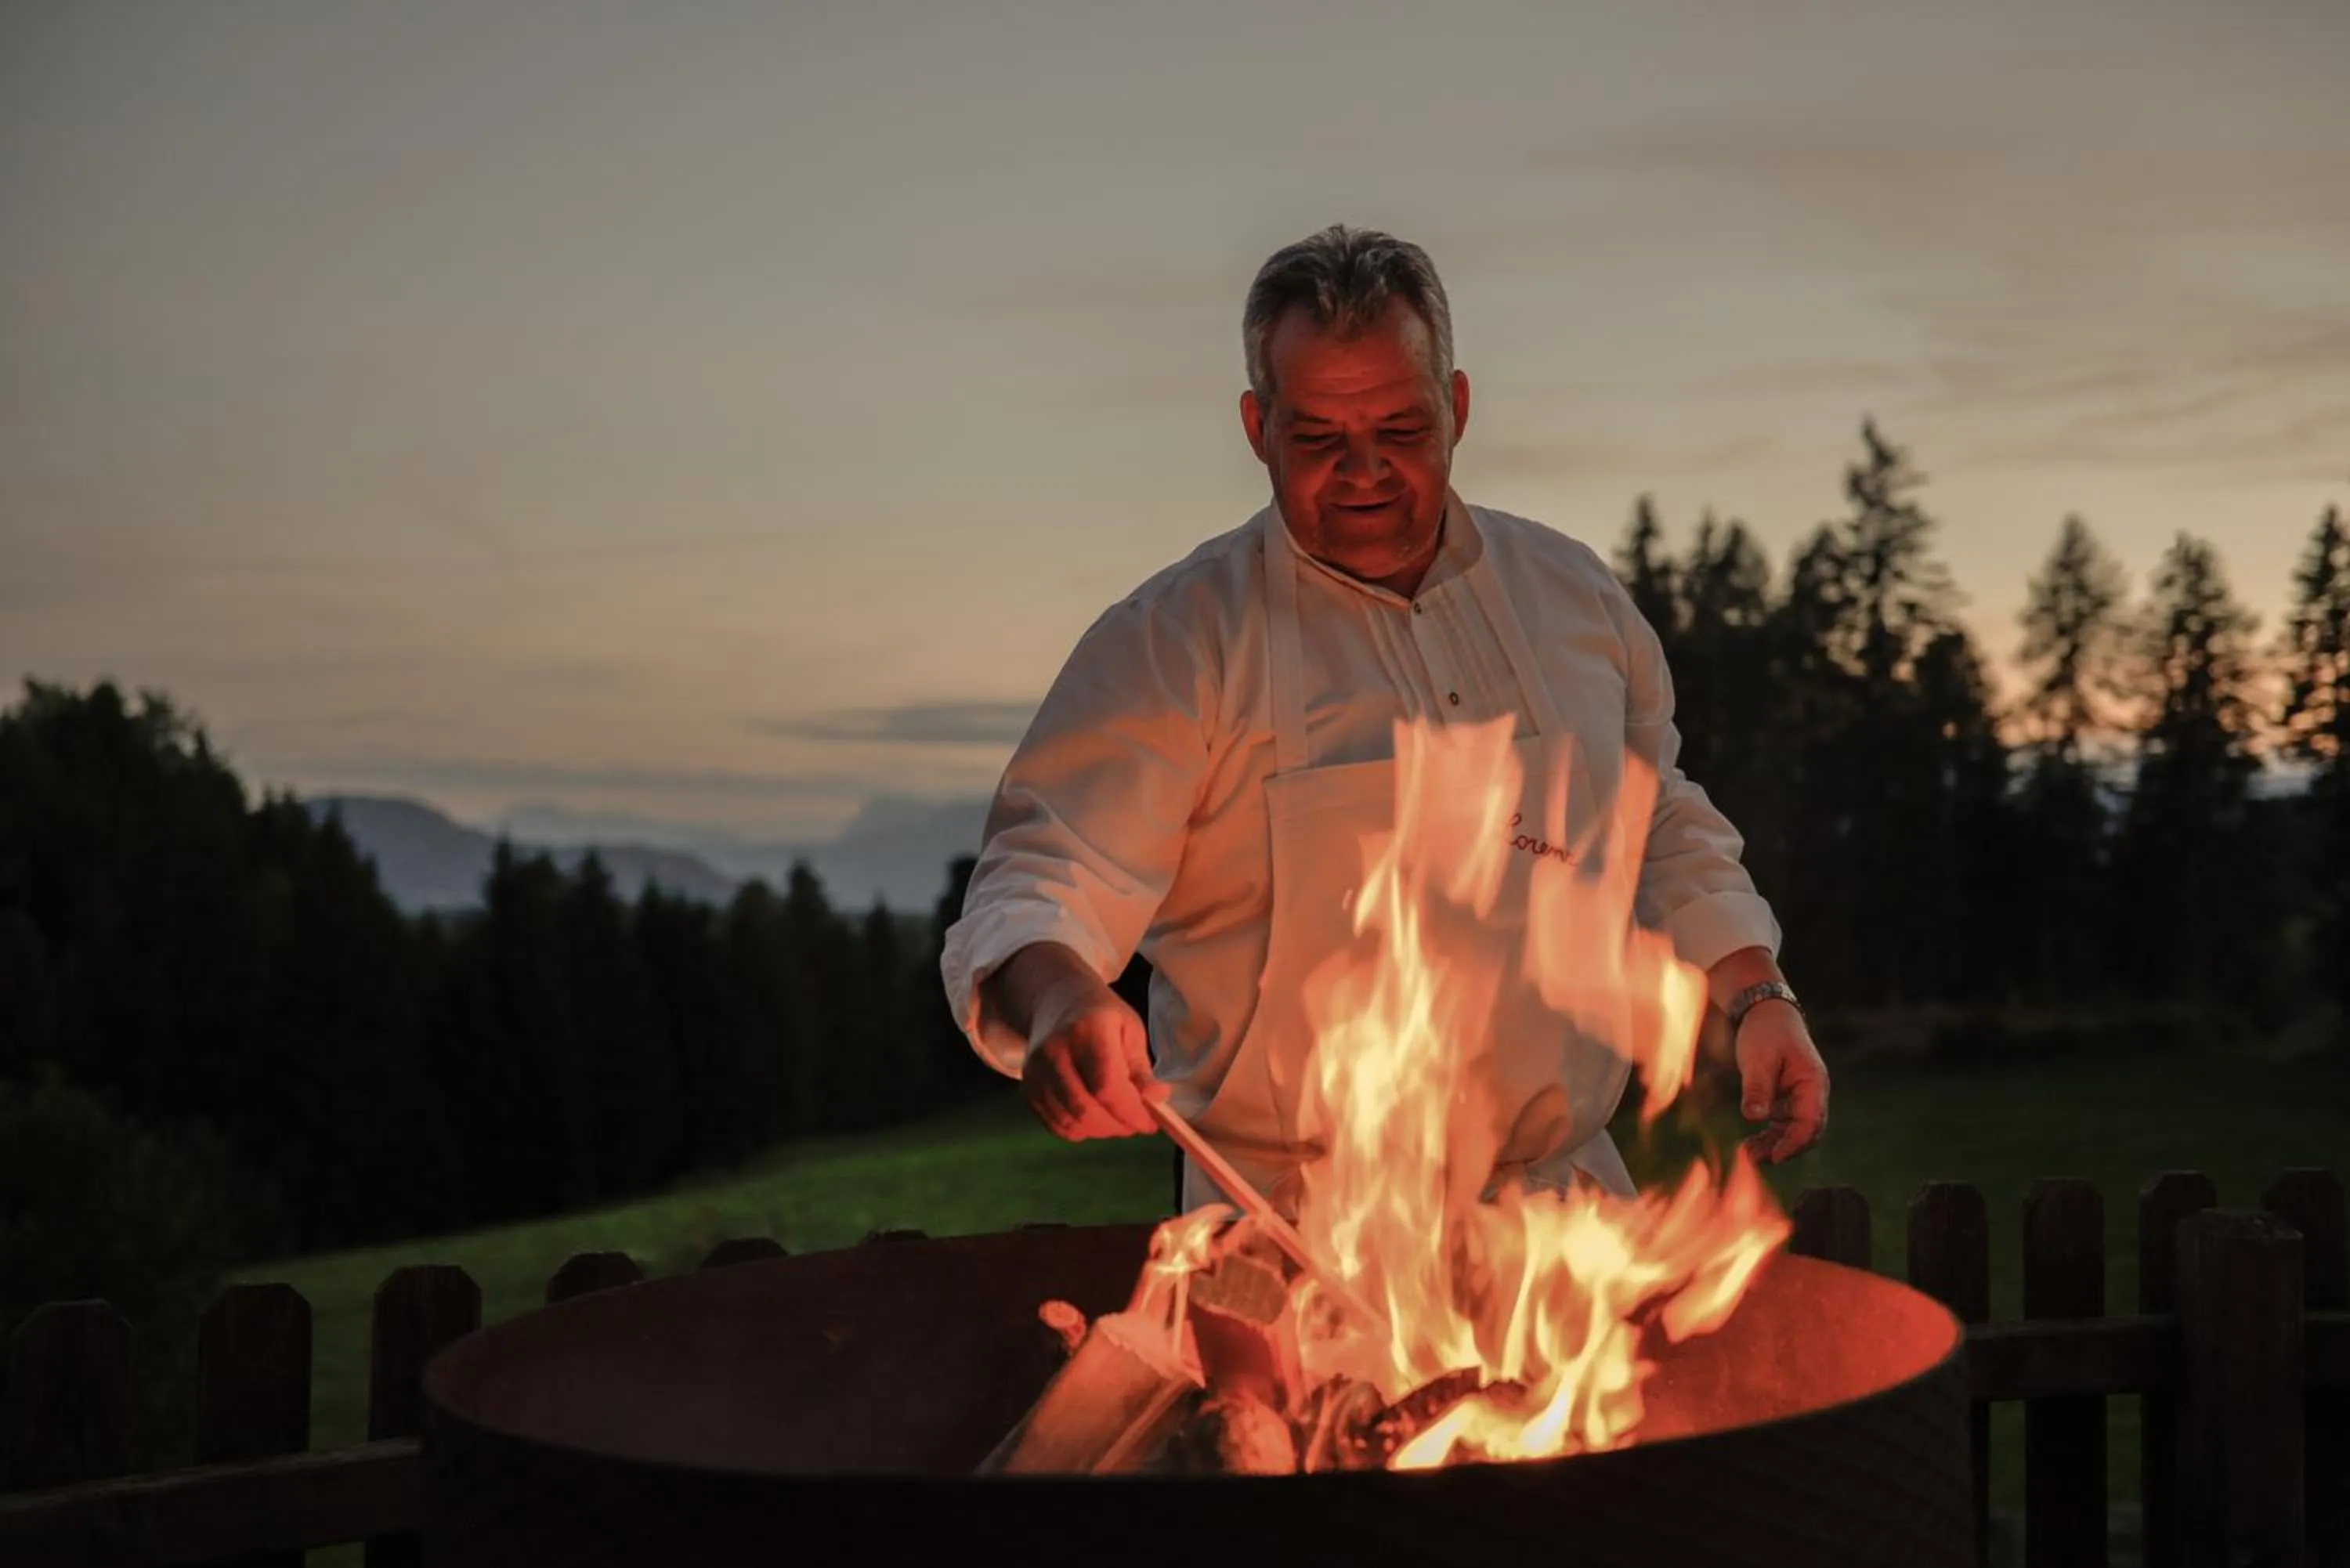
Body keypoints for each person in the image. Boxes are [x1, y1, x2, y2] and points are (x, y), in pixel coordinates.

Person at [940, 223, 1828, 1216]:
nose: (1363, 471)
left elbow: (1651, 815)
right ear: (1256, 428)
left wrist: (1756, 992)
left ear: (1455, 408)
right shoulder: (1175, 641)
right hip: (1295, 1239)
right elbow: (1042, 878)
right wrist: (1062, 997)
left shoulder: (1572, 599)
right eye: (1318, 438)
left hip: (1563, 1232)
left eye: (1400, 431)